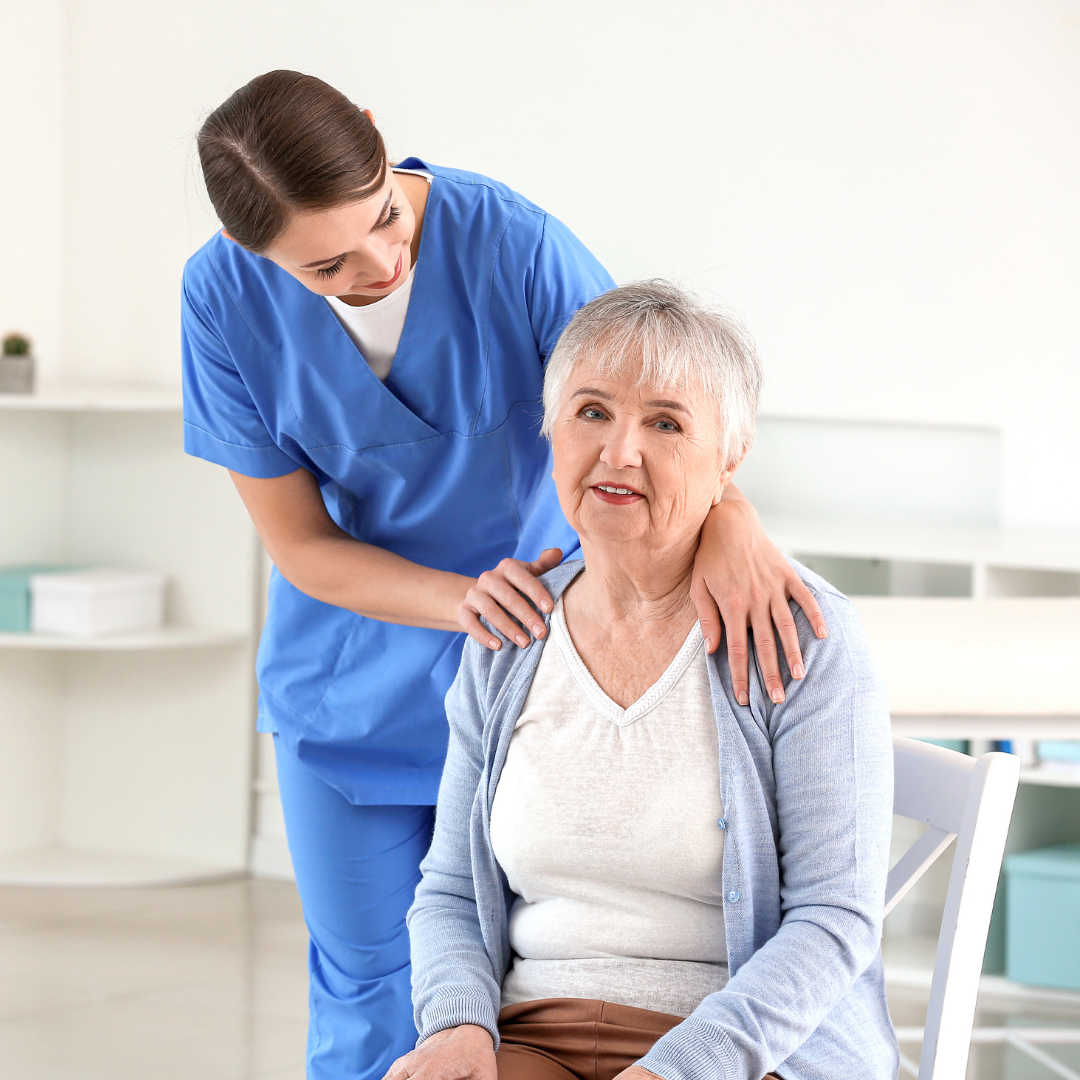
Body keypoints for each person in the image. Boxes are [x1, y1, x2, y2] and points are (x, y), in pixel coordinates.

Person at [182, 71, 830, 1080]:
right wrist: (462, 601)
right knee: (367, 994)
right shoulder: (220, 299)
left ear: (373, 130)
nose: (381, 264)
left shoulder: (515, 246)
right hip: (352, 689)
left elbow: (653, 403)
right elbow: (301, 546)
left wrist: (734, 519)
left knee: (511, 992)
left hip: (538, 682)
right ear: (255, 257)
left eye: (386, 220)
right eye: (325, 267)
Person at [400, 282, 897, 1080]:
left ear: (728, 460)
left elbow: (833, 920)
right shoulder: (509, 633)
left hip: (741, 1047)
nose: (619, 451)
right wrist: (455, 1025)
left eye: (666, 423)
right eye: (591, 412)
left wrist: (681, 1068)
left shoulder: (802, 637)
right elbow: (452, 889)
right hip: (533, 1033)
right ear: (552, 432)